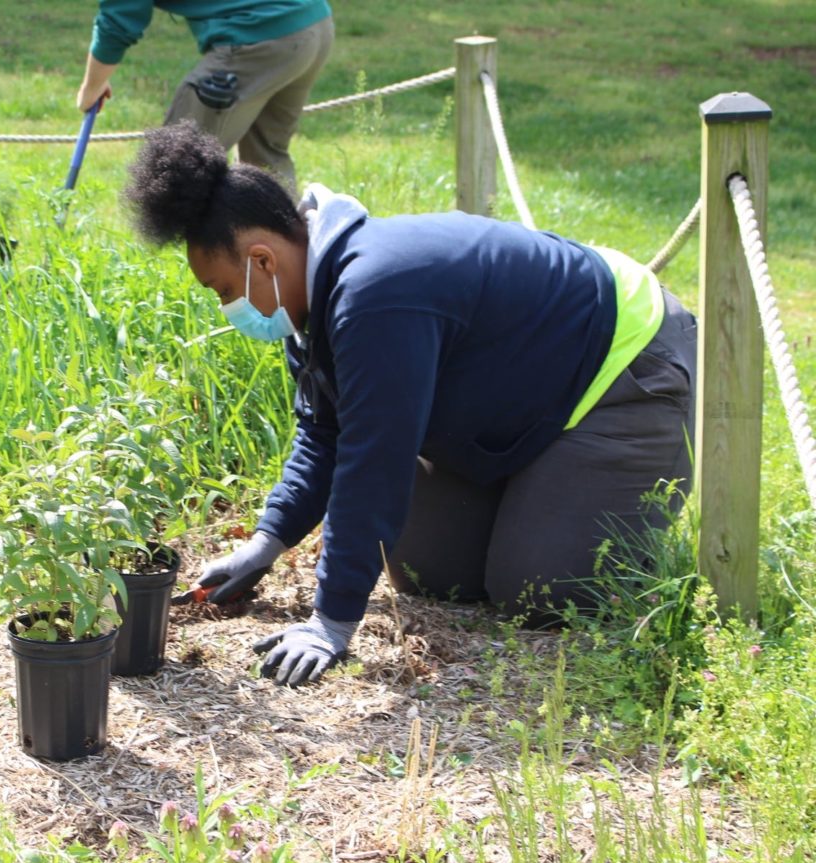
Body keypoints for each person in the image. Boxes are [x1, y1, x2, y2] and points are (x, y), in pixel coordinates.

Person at [125, 120, 697, 689]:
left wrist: (332, 622)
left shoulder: (374, 297)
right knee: (428, 567)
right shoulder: (312, 303)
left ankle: (629, 519)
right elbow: (326, 432)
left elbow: (375, 458)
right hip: (536, 388)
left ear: (263, 261)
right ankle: (540, 492)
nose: (228, 307)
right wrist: (266, 541)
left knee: (538, 589)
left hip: (624, 369)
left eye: (224, 290)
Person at [77, 1, 334, 189]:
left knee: (173, 171)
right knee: (264, 166)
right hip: (312, 22)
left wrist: (91, 88)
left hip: (260, 34)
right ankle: (296, 259)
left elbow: (119, 20)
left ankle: (186, 259)